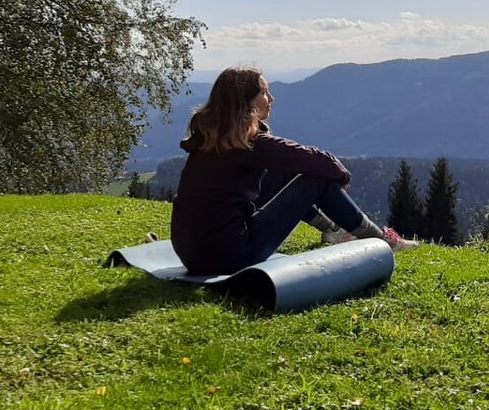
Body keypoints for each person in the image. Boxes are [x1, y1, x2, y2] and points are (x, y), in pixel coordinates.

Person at [170, 66, 417, 275]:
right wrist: (342, 174)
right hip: (232, 256)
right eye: (264, 93)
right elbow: (317, 161)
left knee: (281, 172)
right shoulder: (250, 143)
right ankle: (380, 239)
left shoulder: (209, 139)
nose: (271, 98)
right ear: (247, 104)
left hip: (193, 256)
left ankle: (333, 230)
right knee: (315, 180)